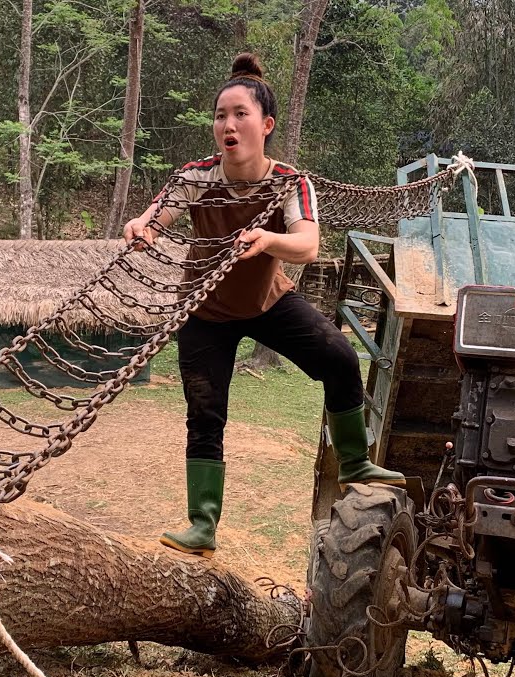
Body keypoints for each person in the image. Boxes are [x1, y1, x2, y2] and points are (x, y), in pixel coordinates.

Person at [122, 52, 403, 558]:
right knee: (205, 414)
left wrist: (267, 240)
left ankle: (356, 462)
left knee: (339, 357)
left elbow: (309, 245)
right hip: (205, 311)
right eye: (220, 115)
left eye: (240, 114)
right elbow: (154, 220)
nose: (227, 124)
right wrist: (140, 229)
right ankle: (203, 524)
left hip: (266, 302)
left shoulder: (290, 182)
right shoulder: (196, 177)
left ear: (266, 124)